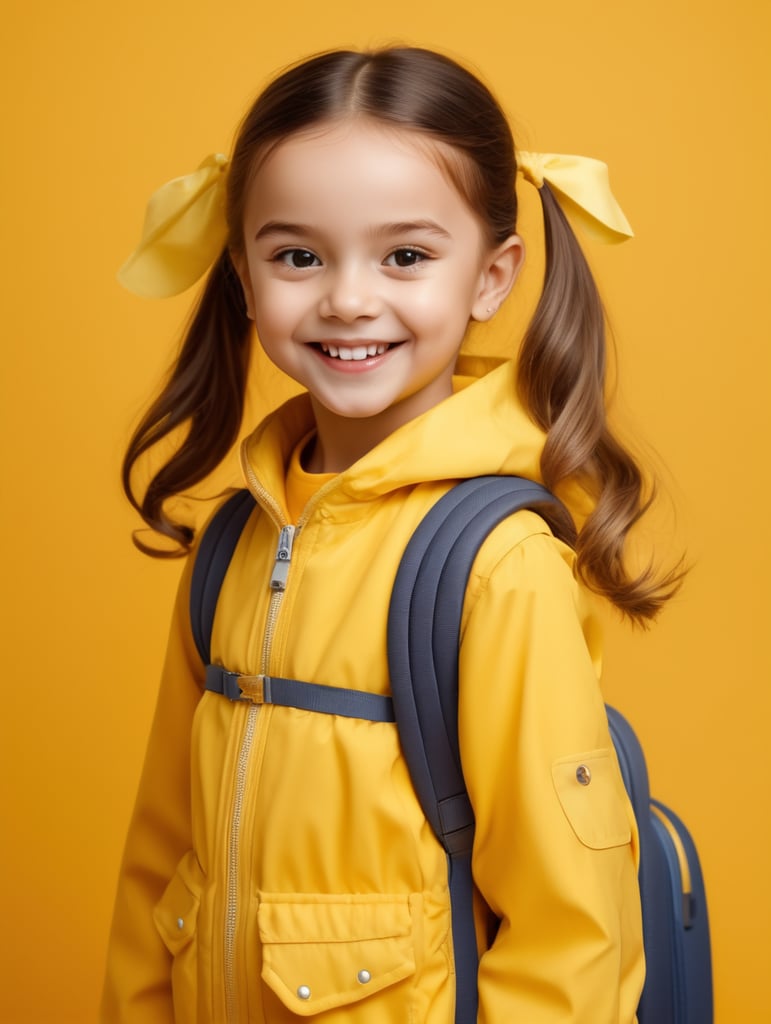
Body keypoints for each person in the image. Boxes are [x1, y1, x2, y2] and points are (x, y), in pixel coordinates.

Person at [101, 46, 681, 1024]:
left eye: (405, 255)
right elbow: (159, 869)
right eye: (298, 255)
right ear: (244, 274)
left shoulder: (497, 566)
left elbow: (569, 936)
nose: (348, 299)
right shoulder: (231, 547)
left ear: (492, 278)